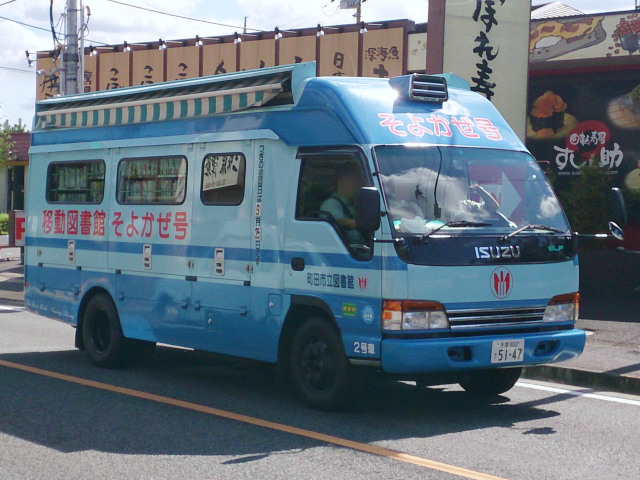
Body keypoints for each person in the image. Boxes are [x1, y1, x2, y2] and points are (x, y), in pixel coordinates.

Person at [320, 163, 366, 244]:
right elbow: (340, 223)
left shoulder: (353, 204)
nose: (358, 185)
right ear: (341, 182)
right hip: (347, 248)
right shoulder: (330, 204)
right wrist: (366, 224)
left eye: (359, 181)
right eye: (353, 180)